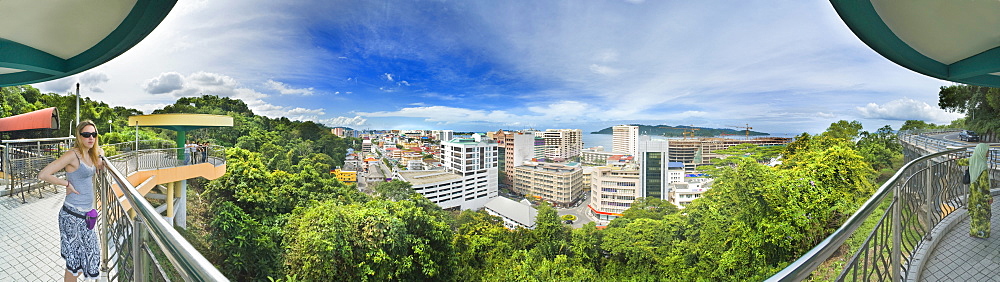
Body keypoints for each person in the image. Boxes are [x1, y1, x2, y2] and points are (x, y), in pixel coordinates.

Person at [38, 120, 105, 281]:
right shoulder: (72, 155)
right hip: (72, 216)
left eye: (94, 134)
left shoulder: (90, 154)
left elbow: (99, 164)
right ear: (79, 136)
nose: (91, 138)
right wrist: (66, 183)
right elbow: (43, 174)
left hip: (85, 215)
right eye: (86, 134)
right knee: (75, 261)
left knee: (88, 257)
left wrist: (101, 154)